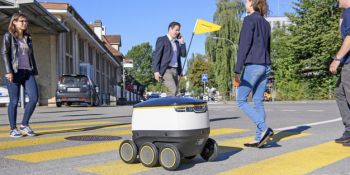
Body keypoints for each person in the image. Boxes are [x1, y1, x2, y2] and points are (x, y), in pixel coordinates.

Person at [234, 0, 273, 148]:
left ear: (251, 3)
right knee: (257, 100)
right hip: (266, 65)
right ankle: (259, 138)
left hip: (253, 65)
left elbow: (244, 45)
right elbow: (268, 47)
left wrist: (237, 70)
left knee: (241, 100)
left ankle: (264, 129)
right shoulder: (265, 23)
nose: (245, 3)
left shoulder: (249, 20)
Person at [1, 13, 39, 138]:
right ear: (14, 23)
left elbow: (31, 56)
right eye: (21, 21)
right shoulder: (9, 36)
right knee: (14, 101)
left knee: (34, 98)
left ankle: (24, 124)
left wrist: (34, 71)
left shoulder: (28, 38)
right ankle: (13, 129)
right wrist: (9, 71)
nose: (24, 23)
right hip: (14, 72)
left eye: (25, 21)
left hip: (28, 71)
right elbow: (5, 54)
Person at [329, 0, 350, 147]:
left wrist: (337, 59)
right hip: (347, 62)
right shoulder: (346, 13)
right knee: (340, 92)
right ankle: (349, 130)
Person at [152, 21, 187, 96]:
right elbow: (157, 55)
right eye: (176, 30)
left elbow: (183, 55)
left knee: (174, 92)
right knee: (173, 90)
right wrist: (156, 71)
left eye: (179, 30)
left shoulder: (177, 43)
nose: (178, 32)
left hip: (176, 71)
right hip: (166, 70)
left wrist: (182, 43)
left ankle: (170, 106)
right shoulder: (162, 40)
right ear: (170, 29)